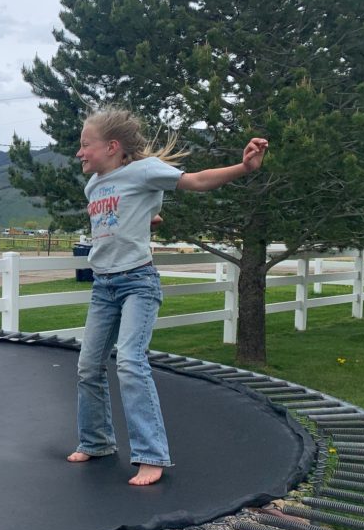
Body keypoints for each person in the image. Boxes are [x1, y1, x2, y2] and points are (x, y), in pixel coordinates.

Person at [67, 107, 268, 486]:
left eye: (85, 144)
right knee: (87, 367)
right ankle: (96, 442)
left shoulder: (144, 171)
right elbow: (123, 216)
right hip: (103, 287)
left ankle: (151, 455)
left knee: (130, 362)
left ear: (111, 147)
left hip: (137, 283)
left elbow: (197, 181)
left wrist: (244, 168)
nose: (79, 152)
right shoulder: (92, 185)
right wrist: (147, 219)